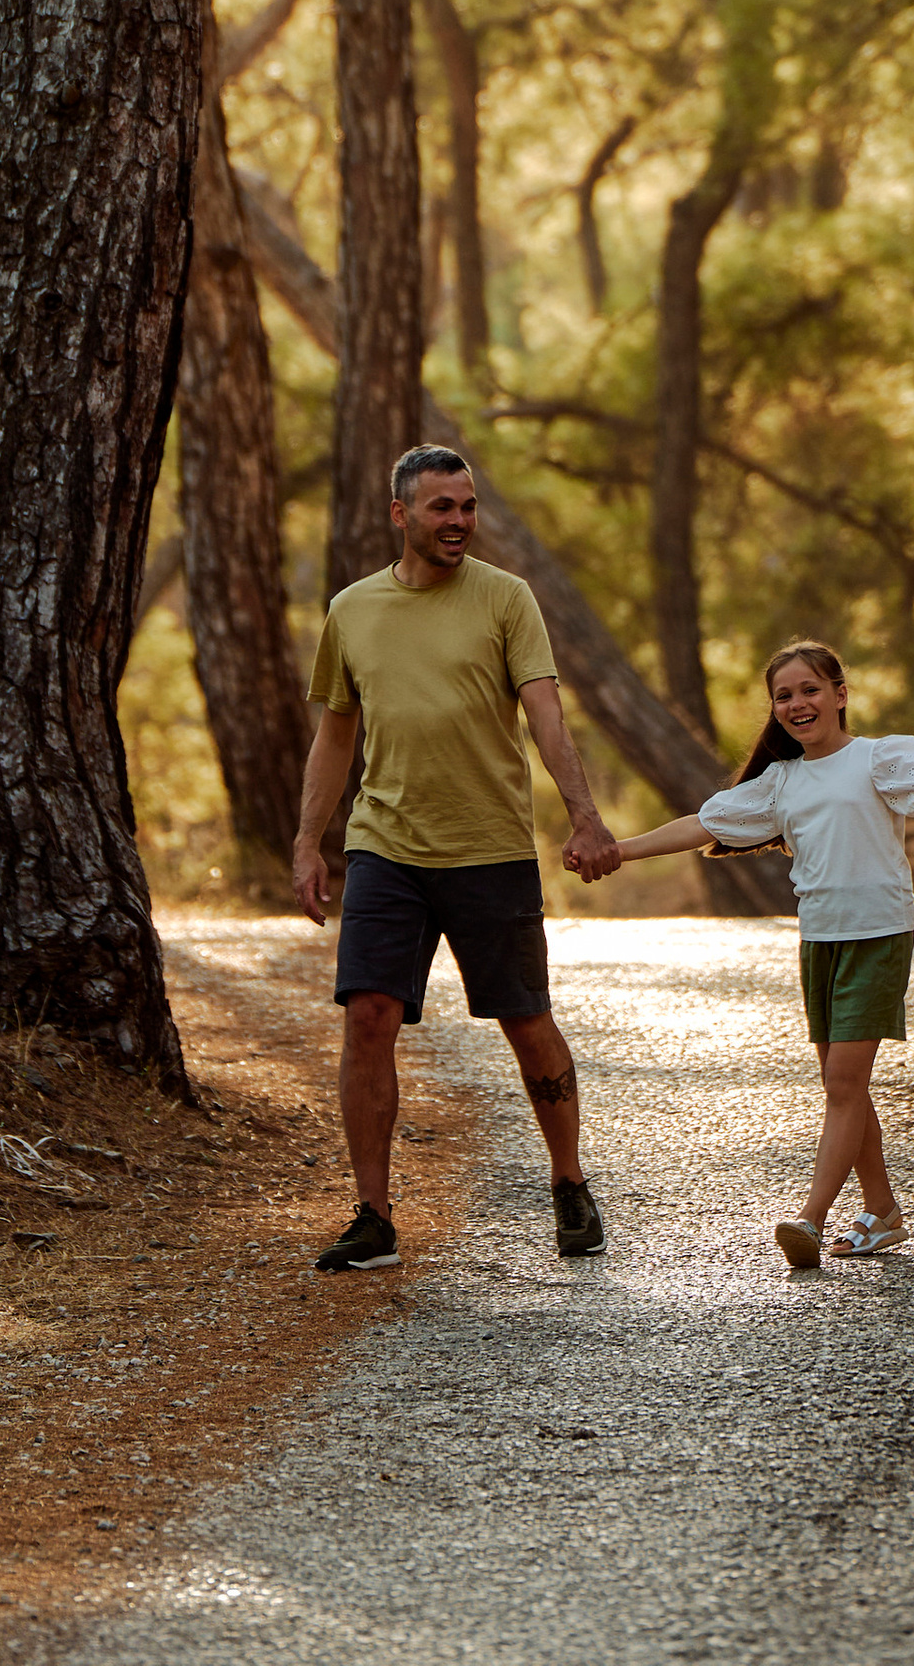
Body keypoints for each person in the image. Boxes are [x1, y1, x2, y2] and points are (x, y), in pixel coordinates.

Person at [292, 443, 617, 1274]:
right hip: (385, 848)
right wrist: (308, 840)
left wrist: (583, 816)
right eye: (443, 507)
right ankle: (372, 1213)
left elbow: (545, 714)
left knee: (525, 1020)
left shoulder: (506, 599)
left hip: (489, 846)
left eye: (468, 506)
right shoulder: (353, 610)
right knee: (368, 1018)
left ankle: (570, 1181)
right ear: (400, 514)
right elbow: (336, 732)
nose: (460, 522)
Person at [595, 637, 914, 1269]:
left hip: (877, 935)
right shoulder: (780, 782)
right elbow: (702, 825)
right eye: (784, 696)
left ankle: (810, 1220)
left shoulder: (882, 759)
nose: (798, 704)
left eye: (810, 690)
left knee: (844, 1082)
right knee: (842, 1084)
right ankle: (882, 1212)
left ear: (841, 695)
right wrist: (617, 849)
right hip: (819, 939)